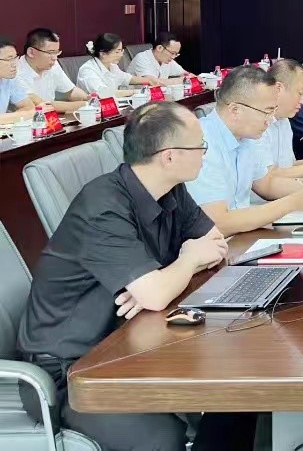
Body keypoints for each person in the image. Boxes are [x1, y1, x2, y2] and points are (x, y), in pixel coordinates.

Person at [17, 101, 257, 450]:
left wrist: (163, 276)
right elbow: (158, 293)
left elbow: (215, 245)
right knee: (163, 438)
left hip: (130, 339)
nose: (205, 153)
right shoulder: (102, 206)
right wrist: (184, 262)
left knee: (238, 387)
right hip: (70, 372)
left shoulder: (170, 189)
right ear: (169, 156)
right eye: (200, 146)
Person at [187, 66, 303, 236]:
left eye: (273, 111)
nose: (270, 120)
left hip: (242, 235)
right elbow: (218, 222)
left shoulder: (246, 135)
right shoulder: (200, 143)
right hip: (214, 242)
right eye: (266, 112)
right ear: (235, 110)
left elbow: (266, 184)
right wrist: (291, 203)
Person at [16, 28, 90, 113]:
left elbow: (71, 91)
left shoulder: (53, 65)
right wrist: (86, 104)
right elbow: (44, 105)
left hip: (50, 117)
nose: (55, 58)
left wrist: (88, 98)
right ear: (31, 52)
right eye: (50, 52)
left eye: (56, 52)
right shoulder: (16, 72)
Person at [76, 33, 163, 97]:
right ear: (103, 54)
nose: (121, 55)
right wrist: (135, 92)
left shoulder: (112, 66)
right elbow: (104, 93)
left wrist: (148, 80)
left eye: (121, 51)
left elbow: (127, 78)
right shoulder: (87, 70)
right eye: (117, 52)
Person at [0, 36, 35, 122]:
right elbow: (30, 112)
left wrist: (9, 118)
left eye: (15, 58)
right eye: (9, 59)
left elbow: (29, 107)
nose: (15, 64)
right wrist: (27, 114)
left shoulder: (9, 79)